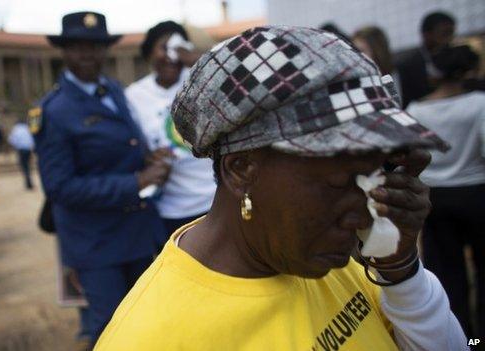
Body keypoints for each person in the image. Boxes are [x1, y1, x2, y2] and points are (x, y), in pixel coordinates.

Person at [95, 25, 467, 350]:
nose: (368, 210)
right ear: (241, 169)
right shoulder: (151, 340)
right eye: (339, 183)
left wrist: (400, 269)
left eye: (373, 176)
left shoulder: (325, 256)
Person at [33, 12, 168, 347]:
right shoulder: (54, 110)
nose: (88, 54)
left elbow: (127, 146)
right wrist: (135, 182)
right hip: (95, 244)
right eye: (79, 47)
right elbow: (60, 187)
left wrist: (149, 158)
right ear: (63, 51)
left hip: (137, 233)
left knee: (144, 325)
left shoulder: (115, 92)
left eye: (95, 46)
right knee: (110, 332)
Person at [406, 44, 484, 338]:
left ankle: (461, 337)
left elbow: (411, 155)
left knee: (446, 274)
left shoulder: (415, 109)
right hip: (476, 193)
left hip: (435, 198)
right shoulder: (478, 103)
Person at [126, 21, 215, 247]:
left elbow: (234, 75)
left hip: (216, 200)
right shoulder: (134, 96)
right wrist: (149, 157)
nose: (171, 56)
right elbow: (131, 146)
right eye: (164, 47)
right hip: (172, 209)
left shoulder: (200, 78)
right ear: (148, 54)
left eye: (178, 47)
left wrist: (196, 60)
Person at [396, 11, 455, 107]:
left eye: (451, 33)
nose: (449, 38)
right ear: (426, 34)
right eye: (444, 33)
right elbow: (406, 101)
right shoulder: (407, 64)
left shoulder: (455, 58)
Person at [8, 119, 35, 189]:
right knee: (28, 165)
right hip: (28, 149)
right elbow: (33, 138)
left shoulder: (16, 129)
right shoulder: (27, 128)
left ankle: (28, 182)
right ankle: (29, 181)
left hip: (21, 149)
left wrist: (16, 146)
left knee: (24, 166)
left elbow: (11, 140)